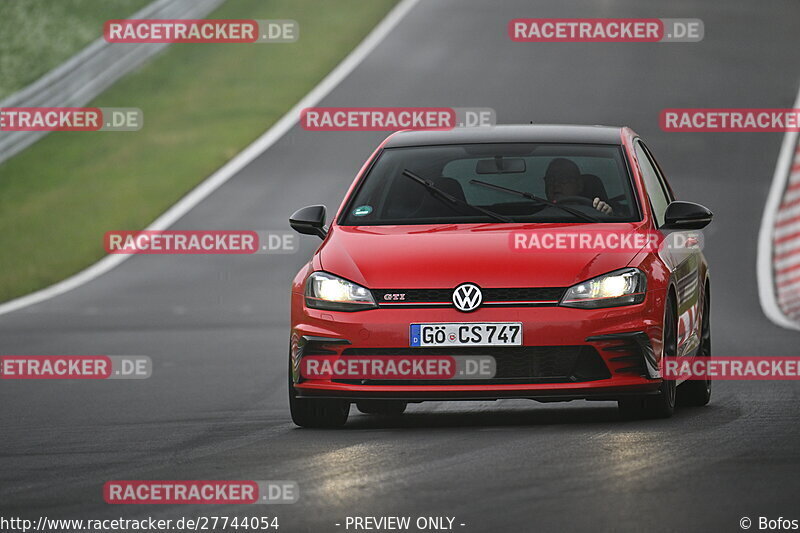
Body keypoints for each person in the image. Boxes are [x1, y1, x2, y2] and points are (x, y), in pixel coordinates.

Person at [543, 158, 613, 215]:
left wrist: (607, 216)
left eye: (563, 178)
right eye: (550, 179)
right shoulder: (534, 216)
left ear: (579, 185)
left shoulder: (595, 213)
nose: (555, 184)